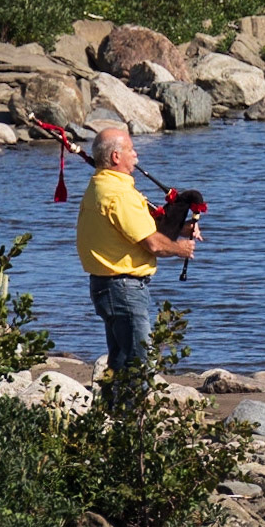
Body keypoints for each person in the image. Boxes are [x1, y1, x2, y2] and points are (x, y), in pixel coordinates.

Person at [74, 125, 198, 376]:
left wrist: (181, 229)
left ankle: (111, 413)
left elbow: (133, 227)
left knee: (120, 360)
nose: (137, 155)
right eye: (131, 149)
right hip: (123, 288)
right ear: (116, 157)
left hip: (106, 286)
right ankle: (131, 414)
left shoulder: (100, 186)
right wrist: (180, 248)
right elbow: (152, 244)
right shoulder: (119, 194)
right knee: (140, 362)